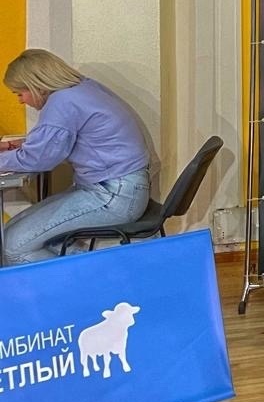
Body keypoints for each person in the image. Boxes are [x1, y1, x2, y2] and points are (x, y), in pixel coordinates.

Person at [0, 49, 151, 264]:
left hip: (113, 194)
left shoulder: (62, 102)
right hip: (122, 188)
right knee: (11, 232)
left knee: (12, 246)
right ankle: (91, 273)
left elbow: (38, 159)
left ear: (36, 85)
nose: (20, 101)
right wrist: (24, 146)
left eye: (19, 93)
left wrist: (18, 153)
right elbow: (55, 145)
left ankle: (85, 279)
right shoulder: (83, 88)